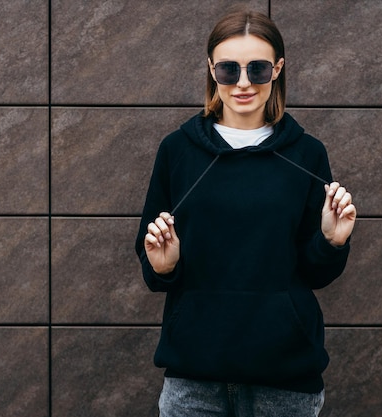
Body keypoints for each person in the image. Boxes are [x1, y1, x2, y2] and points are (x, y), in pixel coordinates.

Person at [135, 8, 356, 417]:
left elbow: (316, 273)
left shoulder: (307, 154)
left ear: (277, 70)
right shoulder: (177, 151)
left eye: (257, 69)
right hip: (193, 380)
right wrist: (164, 266)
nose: (242, 83)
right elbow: (152, 268)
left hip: (284, 382)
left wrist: (332, 241)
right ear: (210, 70)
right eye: (228, 70)